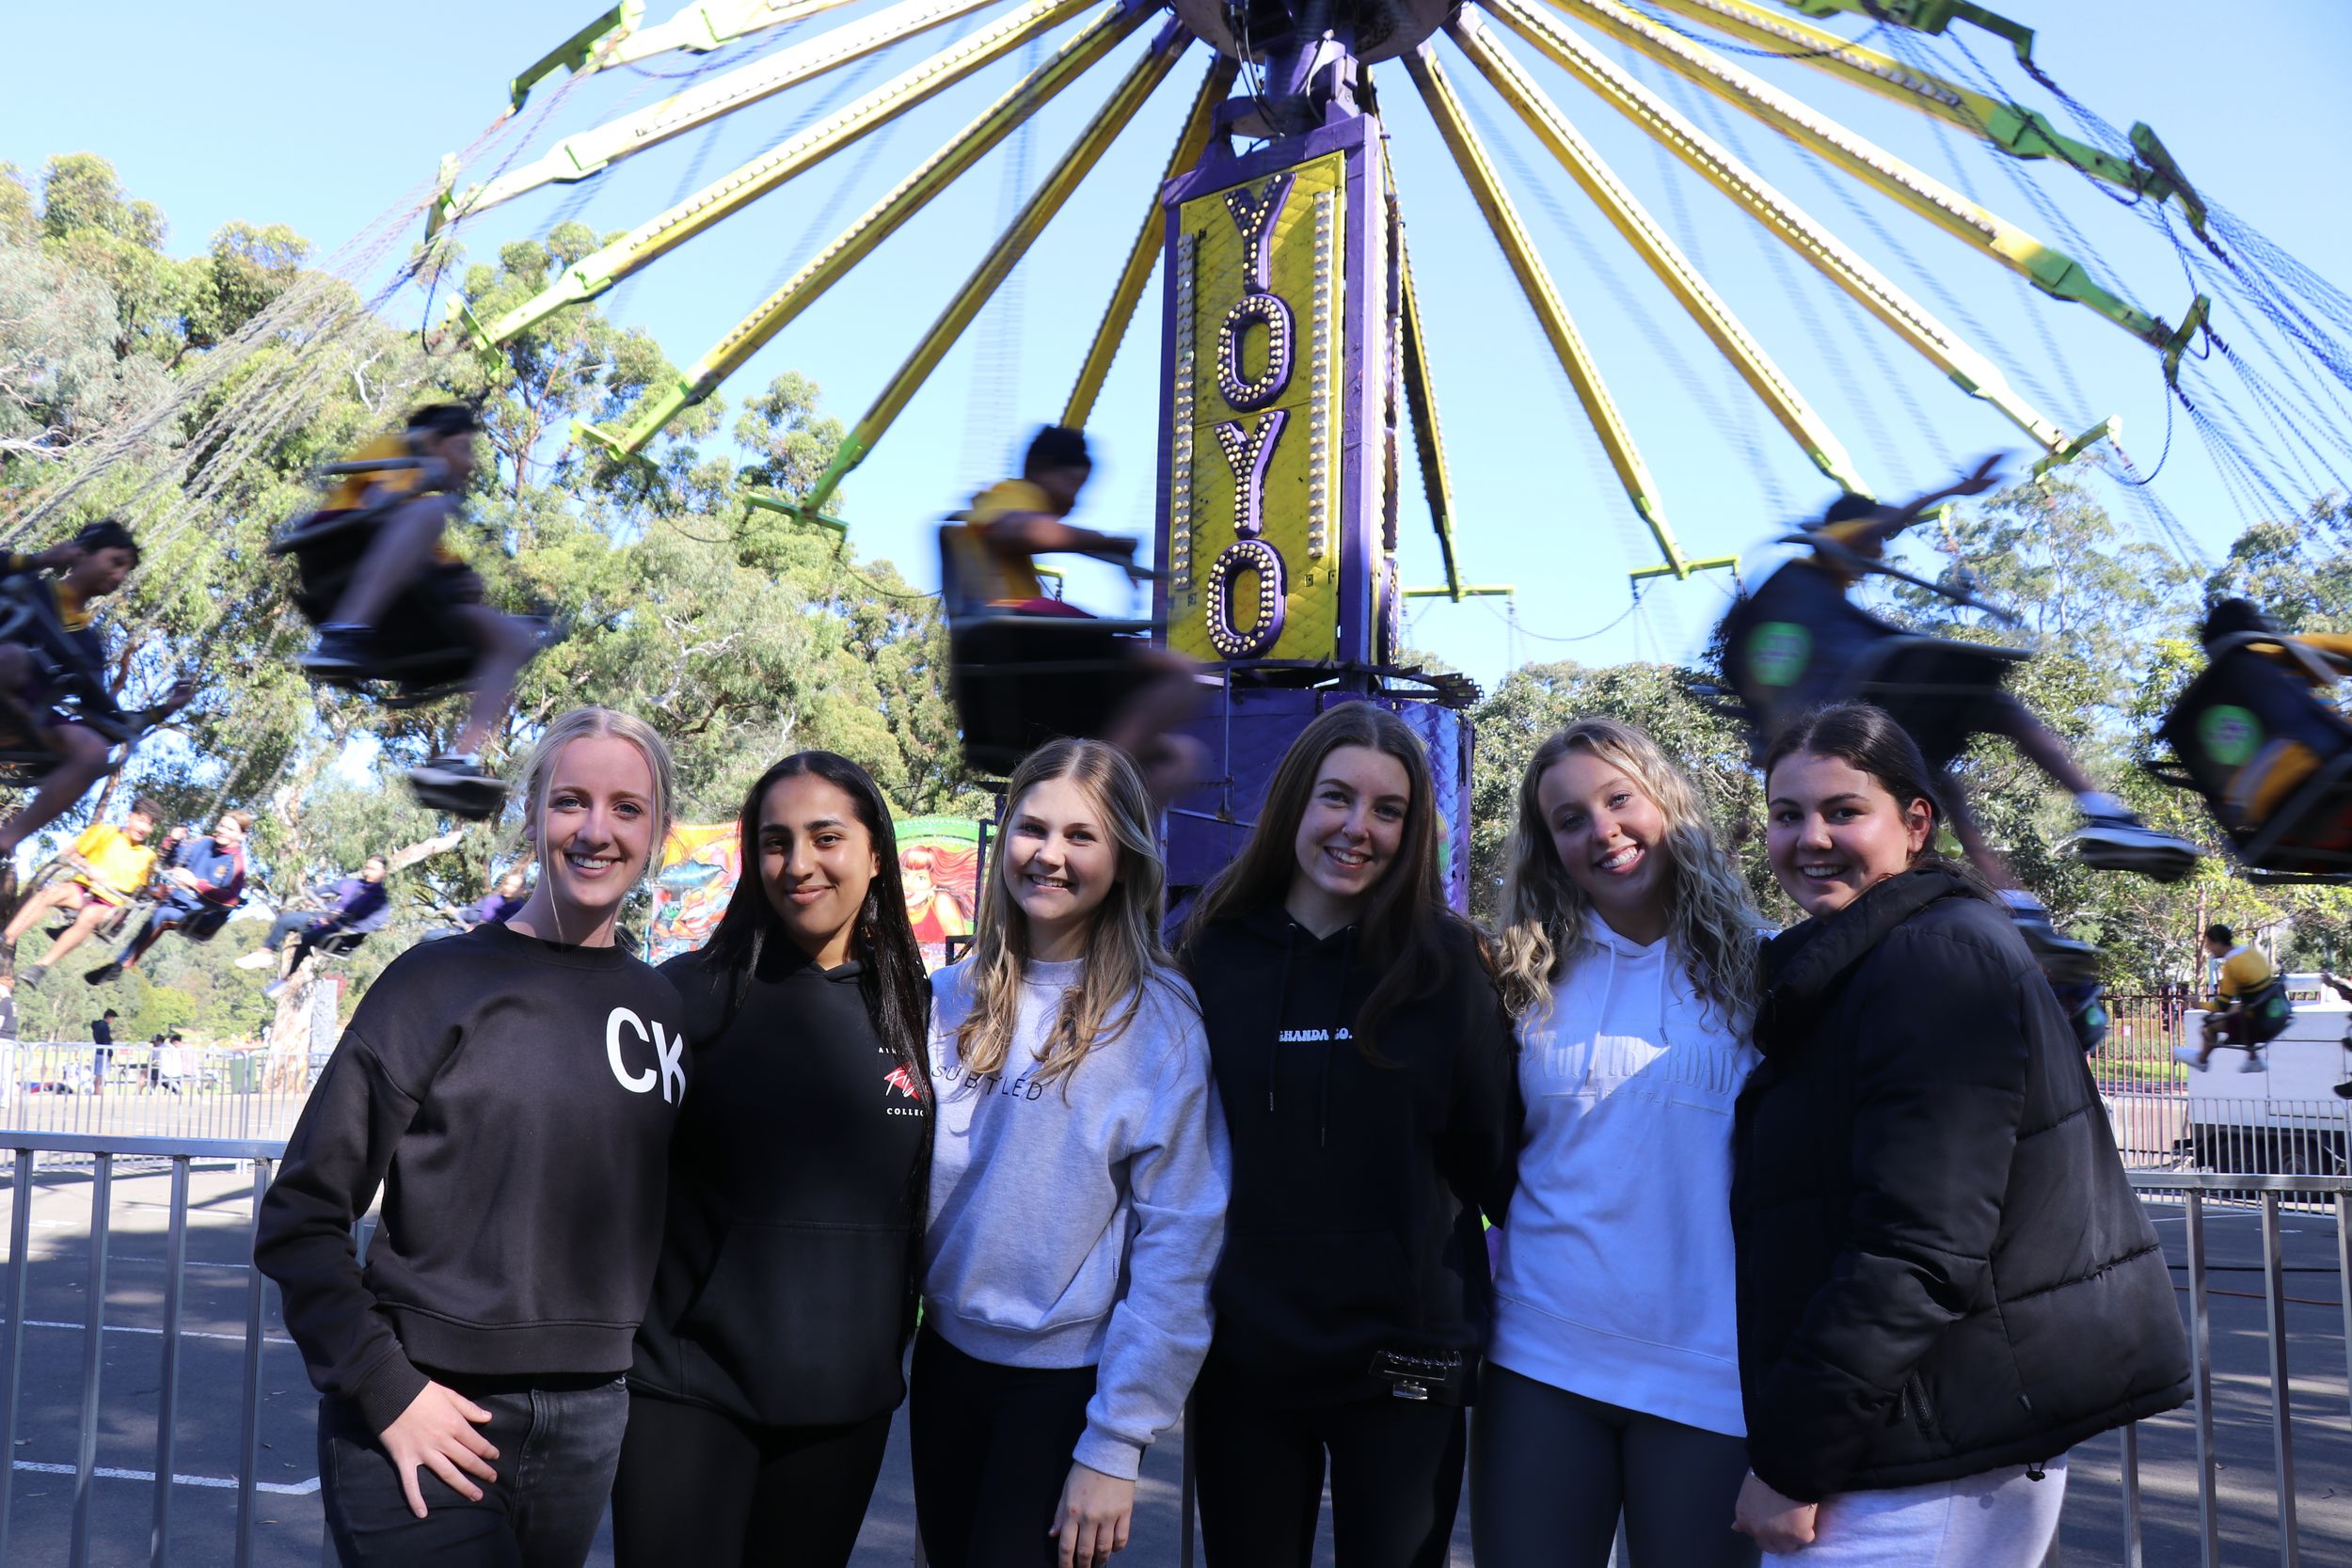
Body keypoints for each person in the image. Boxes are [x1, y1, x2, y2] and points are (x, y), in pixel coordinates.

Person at [1733, 704, 2189, 1565]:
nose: (1810, 838)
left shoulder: (1930, 962)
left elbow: (1916, 1245)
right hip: (1918, 1431)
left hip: (1924, 1454)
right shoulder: (1872, 959)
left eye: (1842, 810)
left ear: (1915, 823)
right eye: (1787, 813)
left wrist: (1793, 1461)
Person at [253, 705, 686, 1568]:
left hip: (588, 1427)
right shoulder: (434, 982)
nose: (595, 830)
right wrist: (385, 1386)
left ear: (659, 832)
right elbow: (301, 1214)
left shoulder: (663, 1007)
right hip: (423, 1408)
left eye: (627, 807)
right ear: (531, 815)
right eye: (570, 801)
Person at [1176, 704, 1518, 1568]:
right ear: (1295, 800)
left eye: (1388, 809)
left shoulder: (1449, 966)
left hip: (1407, 1354)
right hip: (1246, 1352)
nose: (1357, 827)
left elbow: (1496, 1162)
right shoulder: (1211, 952)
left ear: (1413, 830)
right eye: (1336, 797)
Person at [612, 752, 934, 1568]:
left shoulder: (923, 1011)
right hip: (687, 1391)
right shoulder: (683, 997)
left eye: (826, 837)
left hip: (845, 1408)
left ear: (875, 852)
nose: (798, 864)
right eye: (774, 841)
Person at [915, 737, 1229, 1568]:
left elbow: (1182, 1242)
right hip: (943, 1366)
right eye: (1033, 828)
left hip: (1065, 1387)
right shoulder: (945, 998)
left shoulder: (1161, 1022)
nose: (1049, 855)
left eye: (1081, 835)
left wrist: (1115, 1441)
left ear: (1124, 859)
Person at [1473, 719, 1763, 1568]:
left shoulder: (1766, 969)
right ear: (1550, 846)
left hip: (1710, 1373)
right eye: (1570, 819)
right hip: (1540, 1358)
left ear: (1665, 803)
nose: (1602, 830)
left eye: (1619, 799)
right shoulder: (1520, 979)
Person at [1728, 459, 2199, 944]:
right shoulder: (1813, 568)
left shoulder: (1807, 597)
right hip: (1857, 698)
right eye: (1876, 542)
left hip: (1855, 705)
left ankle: (2015, 901)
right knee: (1998, 707)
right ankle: (2101, 811)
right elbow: (1872, 528)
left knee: (1940, 786)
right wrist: (1958, 487)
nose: (1879, 552)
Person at [294, 404, 543, 816]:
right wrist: (431, 475)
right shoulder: (397, 452)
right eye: (463, 449)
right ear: (432, 441)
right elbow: (379, 503)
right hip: (338, 551)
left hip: (404, 602)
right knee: (431, 510)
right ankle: (343, 632)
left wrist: (464, 582)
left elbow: (438, 566)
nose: (470, 463)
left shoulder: (423, 509)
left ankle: (456, 761)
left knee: (512, 638)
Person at [946, 426, 1204, 803]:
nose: (1073, 500)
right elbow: (1014, 530)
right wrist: (1109, 543)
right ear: (1041, 467)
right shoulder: (1014, 493)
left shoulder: (1014, 555)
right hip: (1020, 649)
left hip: (1032, 674)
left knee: (1178, 758)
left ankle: (1108, 821)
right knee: (1176, 674)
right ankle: (1093, 790)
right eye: (1071, 484)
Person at [0, 520, 195, 874]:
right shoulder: (29, 585)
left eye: (126, 570)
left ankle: (6, 839)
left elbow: (107, 718)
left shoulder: (88, 646)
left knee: (92, 750)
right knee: (11, 658)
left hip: (31, 716)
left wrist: (165, 709)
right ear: (83, 553)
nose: (119, 575)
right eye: (115, 561)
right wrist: (40, 558)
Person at [5, 795, 168, 987]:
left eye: (150, 824)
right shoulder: (104, 832)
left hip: (111, 903)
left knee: (89, 915)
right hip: (83, 889)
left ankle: (40, 967)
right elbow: (71, 853)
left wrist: (156, 892)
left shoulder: (147, 856)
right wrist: (89, 868)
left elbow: (144, 888)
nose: (144, 828)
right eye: (141, 820)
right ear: (130, 817)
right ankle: (7, 938)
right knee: (51, 893)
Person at [86, 808, 253, 986]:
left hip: (201, 917)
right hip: (176, 900)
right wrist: (173, 840)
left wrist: (196, 883)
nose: (222, 831)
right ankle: (98, 919)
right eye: (221, 826)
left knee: (163, 915)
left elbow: (230, 900)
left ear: (241, 836)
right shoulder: (204, 843)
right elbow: (174, 859)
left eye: (229, 829)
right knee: (139, 888)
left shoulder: (236, 863)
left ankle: (120, 964)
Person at [248, 857, 392, 1000]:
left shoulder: (380, 901)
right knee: (286, 920)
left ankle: (286, 980)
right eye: (367, 868)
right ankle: (265, 953)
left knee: (308, 937)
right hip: (324, 917)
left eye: (373, 869)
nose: (367, 872)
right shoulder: (351, 884)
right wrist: (312, 897)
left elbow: (370, 923)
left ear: (383, 873)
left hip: (342, 935)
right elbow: (325, 890)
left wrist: (340, 923)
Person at [2173, 922, 2289, 1073]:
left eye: (2209, 944)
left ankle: (2201, 1060)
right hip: (2273, 1013)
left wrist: (2198, 1004)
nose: (2208, 948)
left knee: (2209, 1026)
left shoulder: (2232, 965)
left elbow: (2222, 1005)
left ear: (2218, 943)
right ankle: (2253, 1059)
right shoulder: (2250, 952)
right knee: (2237, 1007)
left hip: (2257, 1023)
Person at [89, 1006, 117, 1097]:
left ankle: (97, 1090)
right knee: (101, 1074)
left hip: (98, 1051)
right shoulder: (104, 1027)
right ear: (109, 1017)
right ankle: (98, 1091)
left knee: (99, 1073)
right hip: (103, 1052)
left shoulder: (98, 1026)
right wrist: (110, 1052)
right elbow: (106, 1040)